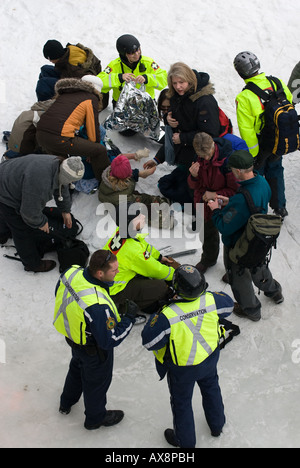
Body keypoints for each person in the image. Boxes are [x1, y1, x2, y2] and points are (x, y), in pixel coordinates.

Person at [141, 264, 234, 448]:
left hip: (183, 369)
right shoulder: (211, 300)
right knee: (211, 389)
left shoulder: (166, 315)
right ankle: (217, 425)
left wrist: (156, 315)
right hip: (209, 358)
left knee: (182, 403)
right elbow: (229, 305)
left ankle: (185, 443)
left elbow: (149, 342)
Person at [54, 249, 138, 429]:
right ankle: (95, 419)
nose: (117, 272)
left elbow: (58, 293)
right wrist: (129, 318)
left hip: (75, 339)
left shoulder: (71, 272)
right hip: (95, 352)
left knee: (76, 370)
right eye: (114, 270)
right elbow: (110, 339)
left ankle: (66, 402)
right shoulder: (97, 306)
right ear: (100, 273)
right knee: (96, 385)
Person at [208, 150, 284, 322]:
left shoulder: (241, 199)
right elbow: (254, 204)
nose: (232, 172)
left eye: (233, 169)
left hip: (240, 245)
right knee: (259, 267)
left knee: (239, 277)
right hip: (260, 238)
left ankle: (251, 309)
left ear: (239, 171)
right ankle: (274, 291)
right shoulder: (261, 181)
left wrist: (216, 210)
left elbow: (224, 227)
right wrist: (232, 202)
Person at [233, 51, 293, 218]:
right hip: (280, 138)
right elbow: (289, 105)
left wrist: (254, 155)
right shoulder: (277, 82)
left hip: (262, 144)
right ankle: (280, 207)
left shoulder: (245, 97)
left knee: (257, 178)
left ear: (239, 73)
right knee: (276, 170)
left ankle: (260, 212)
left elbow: (247, 130)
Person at [0, 154, 84, 272]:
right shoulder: (41, 182)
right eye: (72, 180)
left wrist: (65, 211)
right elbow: (28, 212)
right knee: (21, 228)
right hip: (5, 188)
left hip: (7, 175)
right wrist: (41, 223)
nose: (72, 183)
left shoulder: (58, 165)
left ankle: (2, 234)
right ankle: (32, 264)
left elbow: (62, 185)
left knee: (6, 214)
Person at [154, 62, 222, 206]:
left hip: (200, 155)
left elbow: (210, 134)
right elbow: (178, 118)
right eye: (175, 83)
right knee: (166, 184)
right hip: (186, 152)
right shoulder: (178, 95)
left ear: (190, 80)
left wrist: (183, 138)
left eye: (182, 82)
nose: (178, 86)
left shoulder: (204, 101)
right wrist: (168, 120)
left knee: (185, 191)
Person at [102, 205, 177, 315]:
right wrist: (175, 276)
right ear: (130, 223)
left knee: (148, 276)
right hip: (116, 290)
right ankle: (124, 307)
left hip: (111, 279)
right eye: (138, 217)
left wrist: (158, 257)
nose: (143, 216)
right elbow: (155, 270)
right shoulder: (133, 250)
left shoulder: (123, 231)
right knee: (160, 286)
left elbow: (142, 245)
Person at [36, 76, 110, 181]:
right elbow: (92, 128)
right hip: (59, 137)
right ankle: (106, 182)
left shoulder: (67, 93)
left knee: (62, 164)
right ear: (97, 91)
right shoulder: (91, 98)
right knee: (100, 150)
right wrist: (93, 148)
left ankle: (63, 187)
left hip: (41, 134)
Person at [187, 132, 241, 273]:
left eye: (208, 155)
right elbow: (194, 185)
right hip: (205, 203)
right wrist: (193, 177)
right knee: (207, 232)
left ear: (213, 146)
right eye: (202, 156)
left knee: (230, 237)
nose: (205, 158)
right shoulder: (198, 158)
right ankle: (208, 259)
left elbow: (237, 191)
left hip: (226, 204)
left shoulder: (228, 161)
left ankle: (232, 269)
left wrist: (216, 195)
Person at [97, 34, 167, 109]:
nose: (136, 54)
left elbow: (164, 79)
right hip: (122, 106)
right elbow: (98, 82)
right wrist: (119, 77)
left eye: (138, 49)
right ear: (123, 54)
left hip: (146, 105)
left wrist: (147, 78)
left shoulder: (148, 62)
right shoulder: (114, 66)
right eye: (131, 53)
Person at [36, 40, 102, 102]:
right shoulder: (69, 52)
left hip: (81, 90)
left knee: (43, 83)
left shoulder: (74, 67)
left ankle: (46, 109)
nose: (50, 61)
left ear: (54, 57)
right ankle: (49, 98)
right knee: (45, 69)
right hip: (71, 76)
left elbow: (84, 87)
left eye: (49, 58)